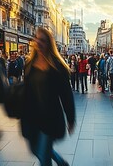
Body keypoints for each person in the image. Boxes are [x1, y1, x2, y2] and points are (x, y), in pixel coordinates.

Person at [21, 28, 75, 166]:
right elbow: (26, 90)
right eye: (37, 39)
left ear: (49, 44)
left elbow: (66, 94)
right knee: (35, 148)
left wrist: (70, 118)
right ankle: (60, 161)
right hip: (32, 116)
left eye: (43, 40)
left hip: (50, 117)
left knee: (44, 157)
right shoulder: (29, 64)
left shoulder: (57, 66)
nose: (38, 42)